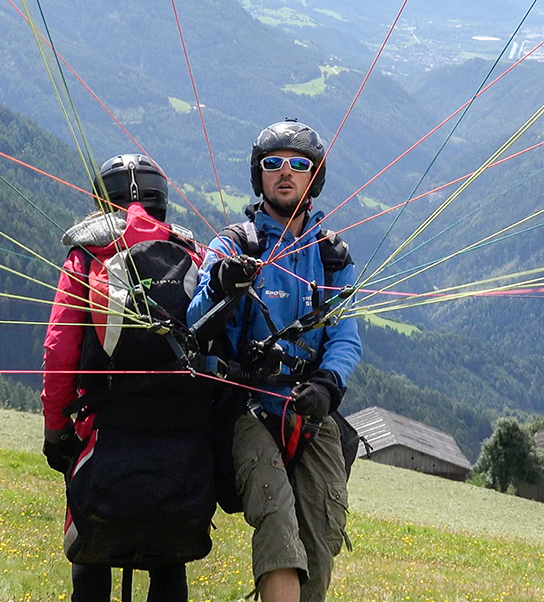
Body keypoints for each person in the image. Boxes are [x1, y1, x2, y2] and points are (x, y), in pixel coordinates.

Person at [188, 119, 362, 602]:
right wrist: (223, 282)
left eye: (299, 163)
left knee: (322, 534)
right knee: (277, 523)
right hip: (247, 407)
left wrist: (329, 386)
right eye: (273, 163)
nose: (285, 172)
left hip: (310, 408)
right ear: (258, 174)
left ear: (314, 177)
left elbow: (345, 336)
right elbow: (195, 317)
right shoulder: (236, 244)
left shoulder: (331, 257)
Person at [42, 153, 196, 602]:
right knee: (168, 564)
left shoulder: (86, 255)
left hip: (101, 433)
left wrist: (56, 431)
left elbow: (59, 350)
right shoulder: (191, 254)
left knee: (91, 557)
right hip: (179, 440)